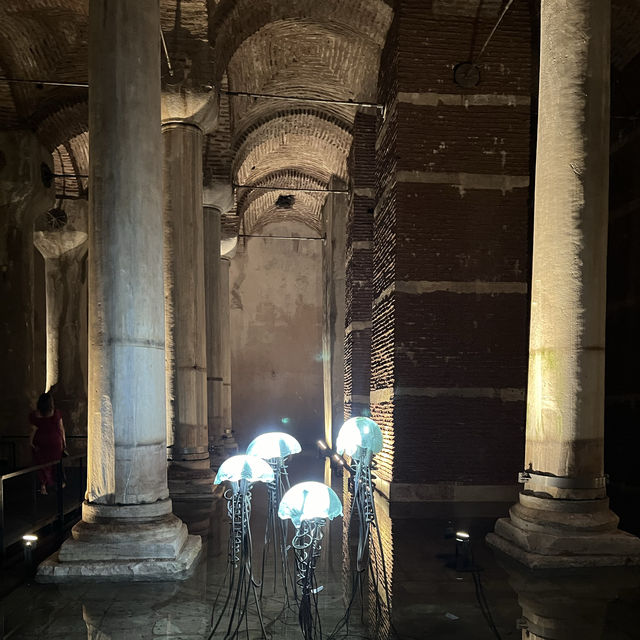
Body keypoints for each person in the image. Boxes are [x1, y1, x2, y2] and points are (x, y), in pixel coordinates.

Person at [28, 391, 66, 495]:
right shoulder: (56, 413)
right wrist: (64, 443)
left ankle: (43, 486)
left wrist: (30, 442)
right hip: (55, 442)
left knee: (41, 464)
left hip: (41, 442)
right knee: (55, 463)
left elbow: (33, 430)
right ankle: (59, 483)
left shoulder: (36, 414)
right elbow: (61, 428)